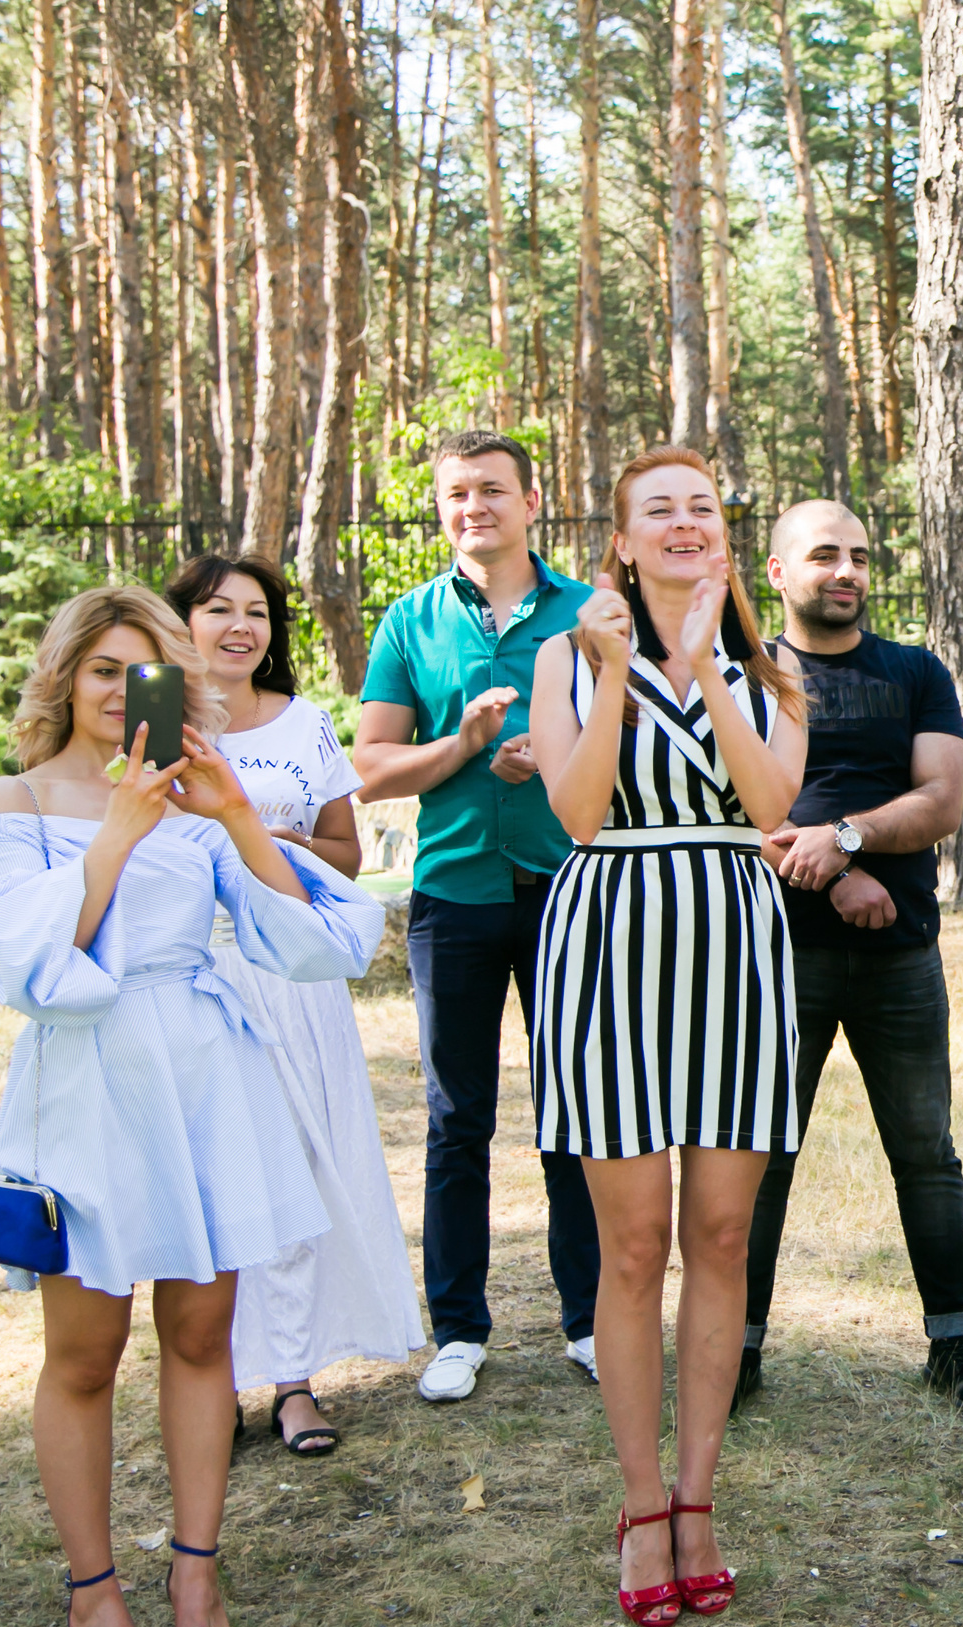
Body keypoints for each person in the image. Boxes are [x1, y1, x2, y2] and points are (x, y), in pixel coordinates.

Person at [0, 587, 381, 1627]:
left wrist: (235, 813)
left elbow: (325, 941)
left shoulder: (206, 803)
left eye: (142, 669)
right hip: (88, 1086)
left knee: (205, 1339)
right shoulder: (15, 801)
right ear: (65, 678)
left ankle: (198, 1575)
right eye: (103, 669)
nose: (119, 691)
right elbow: (24, 968)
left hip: (209, 1074)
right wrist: (116, 831)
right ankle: (93, 1592)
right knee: (85, 1355)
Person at [527, 446, 808, 1626]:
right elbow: (581, 812)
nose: (686, 524)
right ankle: (641, 1504)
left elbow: (773, 808)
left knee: (726, 1234)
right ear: (624, 543)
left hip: (736, 949)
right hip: (612, 945)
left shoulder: (770, 665)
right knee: (633, 1247)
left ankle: (701, 1498)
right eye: (660, 511)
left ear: (721, 538)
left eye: (702, 507)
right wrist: (625, 672)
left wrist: (702, 664)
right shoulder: (565, 655)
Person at [735, 498, 963, 1414]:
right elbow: (731, 808)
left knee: (927, 1151)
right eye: (823, 555)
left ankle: (953, 1343)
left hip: (902, 951)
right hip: (773, 954)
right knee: (761, 1154)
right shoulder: (743, 676)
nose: (845, 570)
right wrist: (833, 873)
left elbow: (942, 800)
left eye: (857, 555)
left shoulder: (917, 673)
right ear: (777, 572)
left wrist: (844, 837)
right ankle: (739, 1348)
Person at [354, 429, 603, 1403]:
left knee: (576, 1107)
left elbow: (636, 752)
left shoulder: (589, 614)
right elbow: (371, 768)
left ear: (531, 502)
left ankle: (588, 1320)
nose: (474, 508)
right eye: (457, 494)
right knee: (457, 1119)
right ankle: (458, 1329)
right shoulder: (410, 622)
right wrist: (461, 745)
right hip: (452, 895)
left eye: (492, 491)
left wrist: (558, 753)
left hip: (570, 889)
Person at [165, 555, 421, 1457]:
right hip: (192, 974)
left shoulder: (305, 723)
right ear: (182, 621)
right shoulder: (152, 716)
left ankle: (296, 1381)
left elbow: (347, 855)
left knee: (300, 1166)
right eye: (218, 609)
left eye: (259, 613)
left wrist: (276, 841)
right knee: (208, 1178)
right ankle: (211, 1377)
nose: (241, 627)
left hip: (292, 975)